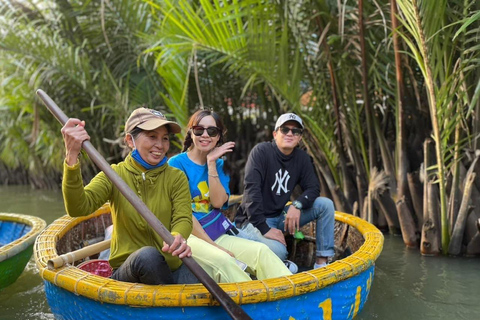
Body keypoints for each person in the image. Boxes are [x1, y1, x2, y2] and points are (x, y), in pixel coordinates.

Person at [61, 107, 198, 285]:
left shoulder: (176, 177)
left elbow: (183, 218)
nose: (160, 145)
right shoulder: (114, 175)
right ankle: (171, 307)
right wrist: (72, 156)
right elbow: (78, 207)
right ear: (130, 140)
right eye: (152, 136)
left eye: (165, 138)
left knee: (197, 270)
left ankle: (171, 304)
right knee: (148, 257)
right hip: (130, 271)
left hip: (170, 267)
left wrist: (179, 235)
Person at [168, 110, 292, 283]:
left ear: (218, 137)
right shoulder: (176, 164)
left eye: (211, 131)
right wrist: (216, 247)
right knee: (225, 261)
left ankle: (293, 299)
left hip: (216, 231)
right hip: (190, 235)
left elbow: (218, 202)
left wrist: (211, 164)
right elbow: (183, 215)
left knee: (261, 252)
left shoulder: (218, 163)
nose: (205, 135)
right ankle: (252, 304)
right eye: (199, 130)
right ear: (190, 132)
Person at [234, 113, 335, 271]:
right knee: (280, 252)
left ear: (300, 137)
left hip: (279, 216)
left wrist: (297, 204)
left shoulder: (302, 159)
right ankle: (276, 262)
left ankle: (321, 263)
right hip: (253, 220)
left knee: (325, 205)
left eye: (295, 131)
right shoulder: (261, 152)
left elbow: (313, 188)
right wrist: (265, 229)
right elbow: (251, 194)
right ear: (275, 134)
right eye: (285, 129)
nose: (290, 134)